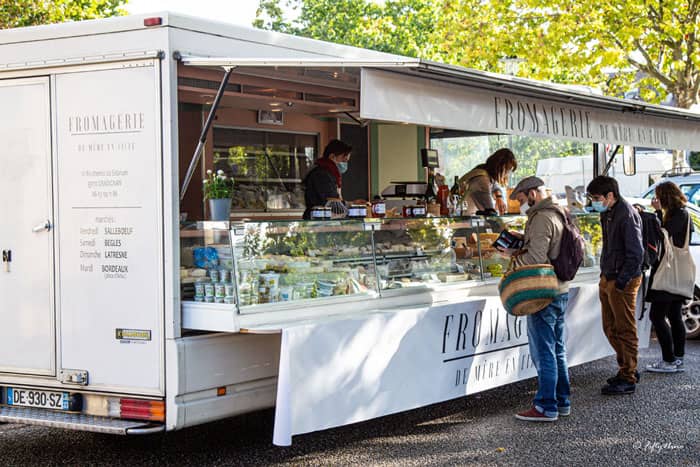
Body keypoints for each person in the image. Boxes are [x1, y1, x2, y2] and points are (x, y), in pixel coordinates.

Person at [501, 176, 572, 422]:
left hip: (543, 293)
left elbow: (536, 259)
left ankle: (545, 406)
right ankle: (562, 402)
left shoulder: (541, 218)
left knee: (544, 352)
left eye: (521, 199)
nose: (521, 204)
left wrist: (512, 256)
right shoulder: (557, 212)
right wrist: (523, 239)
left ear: (532, 193)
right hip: (561, 290)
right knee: (558, 349)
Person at [586, 175, 644, 395]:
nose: (594, 201)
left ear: (610, 195)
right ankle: (628, 367)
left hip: (623, 279)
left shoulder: (626, 215)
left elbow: (636, 253)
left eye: (597, 197)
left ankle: (628, 376)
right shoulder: (609, 213)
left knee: (624, 329)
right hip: (609, 276)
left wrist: (620, 282)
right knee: (610, 327)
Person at [645, 182, 692, 373]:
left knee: (656, 316)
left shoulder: (680, 214)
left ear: (665, 197)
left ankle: (670, 360)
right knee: (674, 315)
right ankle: (677, 358)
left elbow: (663, 234)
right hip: (677, 274)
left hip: (669, 273)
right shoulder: (682, 213)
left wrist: (655, 214)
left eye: (659, 196)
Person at [302, 139, 352, 219]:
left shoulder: (331, 174)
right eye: (344, 160)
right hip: (319, 219)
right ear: (332, 156)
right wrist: (351, 206)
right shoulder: (322, 175)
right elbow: (332, 203)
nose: (345, 164)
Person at [459, 148, 517, 216]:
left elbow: (495, 186)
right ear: (501, 168)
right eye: (508, 170)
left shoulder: (484, 171)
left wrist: (499, 197)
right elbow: (490, 214)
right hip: (463, 220)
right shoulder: (482, 180)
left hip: (466, 219)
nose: (507, 174)